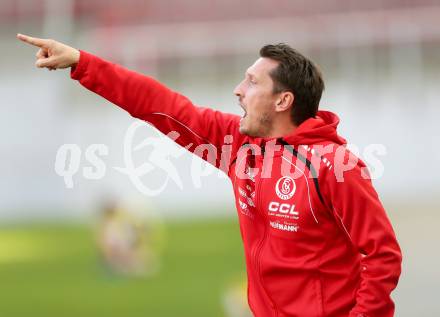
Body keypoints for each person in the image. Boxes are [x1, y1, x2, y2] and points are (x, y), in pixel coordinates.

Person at [17, 33, 402, 317]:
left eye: (252, 82)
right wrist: (83, 63)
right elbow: (161, 106)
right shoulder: (238, 145)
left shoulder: (334, 166)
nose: (238, 90)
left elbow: (382, 256)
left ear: (283, 101)